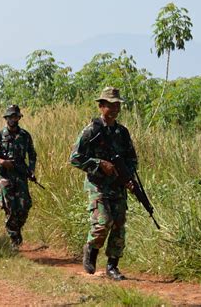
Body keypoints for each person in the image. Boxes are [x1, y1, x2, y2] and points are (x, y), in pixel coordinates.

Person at [69, 87, 138, 280]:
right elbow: (75, 158)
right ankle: (91, 250)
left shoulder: (122, 132)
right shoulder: (91, 130)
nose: (115, 108)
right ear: (101, 106)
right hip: (97, 185)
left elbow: (132, 159)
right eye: (111, 105)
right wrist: (99, 164)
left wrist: (129, 178)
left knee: (118, 225)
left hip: (118, 185)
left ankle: (112, 266)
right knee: (103, 222)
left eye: (118, 105)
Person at [0, 105, 37, 249]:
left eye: (15, 117)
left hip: (21, 175)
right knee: (10, 208)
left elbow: (32, 155)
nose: (13, 120)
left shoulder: (25, 135)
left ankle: (16, 230)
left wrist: (31, 170)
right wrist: (0, 161)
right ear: (6, 119)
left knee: (24, 206)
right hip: (5, 177)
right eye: (10, 117)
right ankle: (14, 239)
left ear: (19, 118)